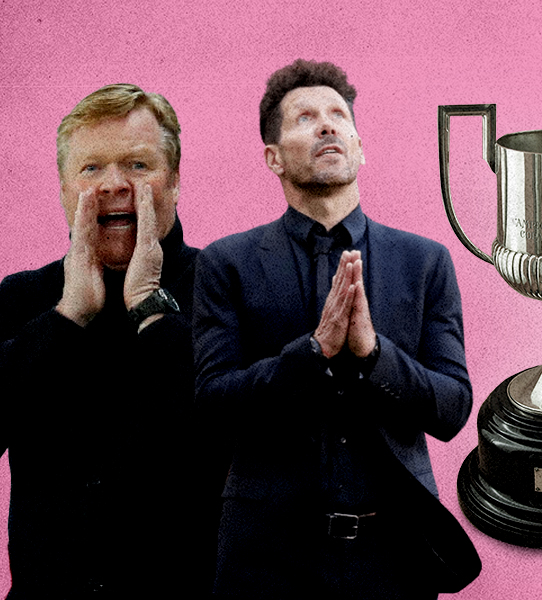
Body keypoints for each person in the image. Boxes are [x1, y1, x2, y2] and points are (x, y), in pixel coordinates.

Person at [193, 59, 478, 599]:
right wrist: (313, 351)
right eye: (304, 118)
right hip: (265, 560)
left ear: (359, 146)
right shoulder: (225, 263)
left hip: (394, 557)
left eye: (337, 115)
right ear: (273, 158)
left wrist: (373, 354)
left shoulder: (425, 262)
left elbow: (452, 409)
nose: (326, 125)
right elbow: (213, 406)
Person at [0, 84, 217, 597]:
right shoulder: (22, 297)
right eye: (91, 168)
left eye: (139, 165)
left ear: (176, 180)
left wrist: (148, 304)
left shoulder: (228, 287)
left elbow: (234, 437)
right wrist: (66, 317)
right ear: (63, 187)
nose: (114, 184)